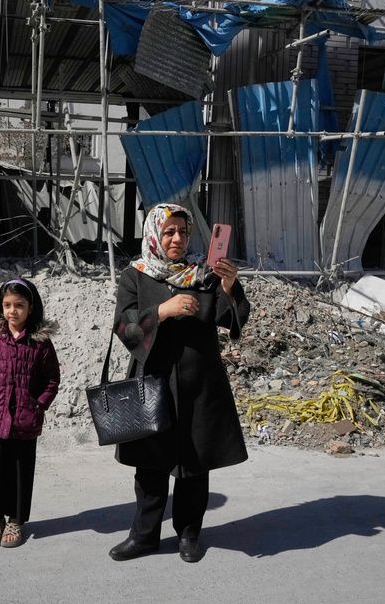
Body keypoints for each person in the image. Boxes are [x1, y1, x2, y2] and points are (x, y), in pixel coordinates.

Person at [109, 203, 249, 563]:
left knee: (194, 464)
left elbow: (229, 319)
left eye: (183, 232)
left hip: (199, 385)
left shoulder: (204, 273)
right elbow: (124, 326)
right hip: (151, 382)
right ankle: (144, 536)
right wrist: (162, 311)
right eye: (169, 231)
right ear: (154, 234)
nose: (177, 238)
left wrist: (229, 285)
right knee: (150, 464)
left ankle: (189, 533)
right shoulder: (136, 275)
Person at [0, 278, 60, 548]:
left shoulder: (41, 343)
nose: (12, 311)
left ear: (31, 308)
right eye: (7, 305)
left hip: (25, 420)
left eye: (19, 305)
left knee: (21, 473)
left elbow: (52, 379)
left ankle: (16, 521)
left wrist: (38, 404)